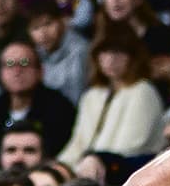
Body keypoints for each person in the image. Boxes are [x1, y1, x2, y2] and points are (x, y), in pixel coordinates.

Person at [58, 34, 162, 162]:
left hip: (125, 170)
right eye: (104, 53)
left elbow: (130, 145)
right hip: (89, 167)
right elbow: (78, 141)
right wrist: (61, 166)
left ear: (133, 57)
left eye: (118, 53)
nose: (110, 60)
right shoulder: (92, 95)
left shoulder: (143, 91)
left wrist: (94, 162)